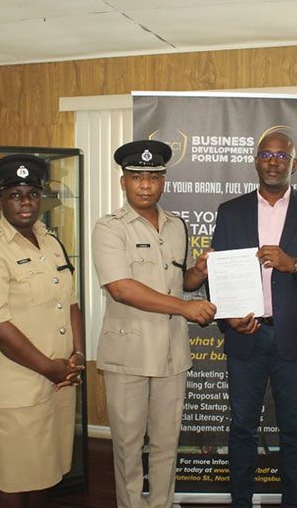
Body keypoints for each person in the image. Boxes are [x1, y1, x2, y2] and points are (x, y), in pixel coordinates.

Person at [210, 130, 297, 507]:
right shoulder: (231, 211)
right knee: (241, 429)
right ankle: (241, 503)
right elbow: (216, 274)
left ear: (294, 164)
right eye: (266, 154)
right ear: (256, 160)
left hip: (293, 339)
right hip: (245, 336)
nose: (273, 161)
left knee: (293, 432)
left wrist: (295, 264)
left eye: (282, 156)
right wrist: (228, 318)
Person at [92, 139, 216, 508]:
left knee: (166, 443)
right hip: (129, 352)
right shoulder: (109, 228)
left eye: (153, 176)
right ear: (123, 182)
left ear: (163, 181)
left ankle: (161, 504)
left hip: (171, 352)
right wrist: (183, 307)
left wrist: (198, 271)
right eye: (136, 177)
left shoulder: (177, 226)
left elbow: (182, 282)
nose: (145, 184)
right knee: (128, 447)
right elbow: (121, 288)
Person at [0, 154, 85, 507]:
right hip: (15, 388)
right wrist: (48, 367)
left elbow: (71, 303)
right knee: (14, 479)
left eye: (31, 193)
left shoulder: (50, 241)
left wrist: (76, 355)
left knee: (46, 471)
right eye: (15, 194)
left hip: (59, 381)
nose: (25, 202)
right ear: (0, 200)